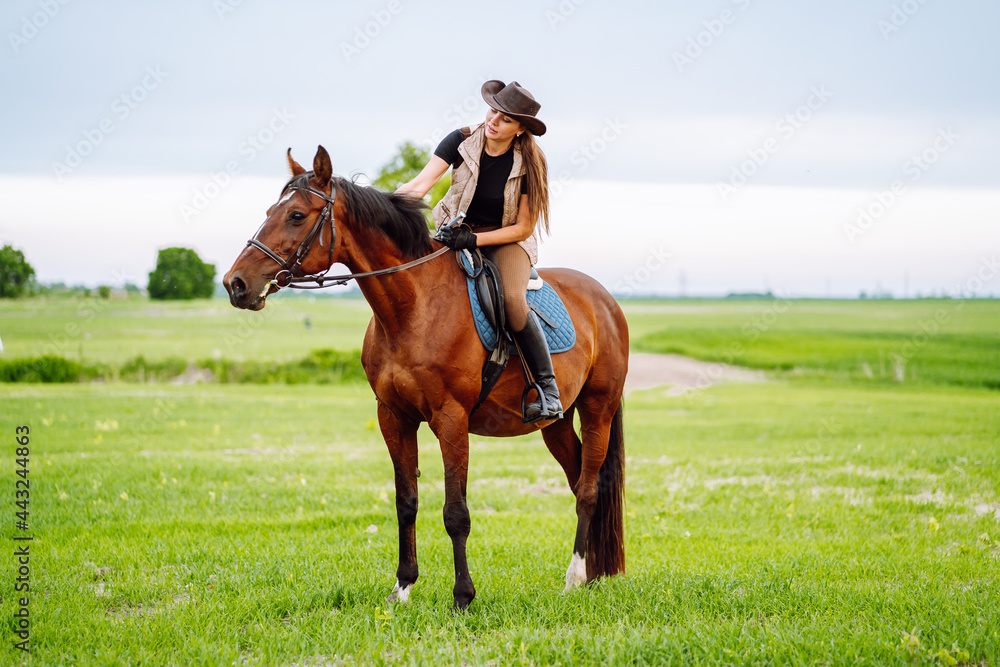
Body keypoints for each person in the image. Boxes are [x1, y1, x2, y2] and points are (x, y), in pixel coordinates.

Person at [396, 80, 562, 422]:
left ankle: (548, 389)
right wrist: (383, 204)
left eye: (505, 119)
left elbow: (524, 227)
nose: (493, 121)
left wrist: (475, 242)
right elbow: (420, 185)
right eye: (493, 111)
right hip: (454, 232)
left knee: (514, 302)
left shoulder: (530, 162)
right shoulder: (460, 140)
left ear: (519, 130)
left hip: (506, 241)